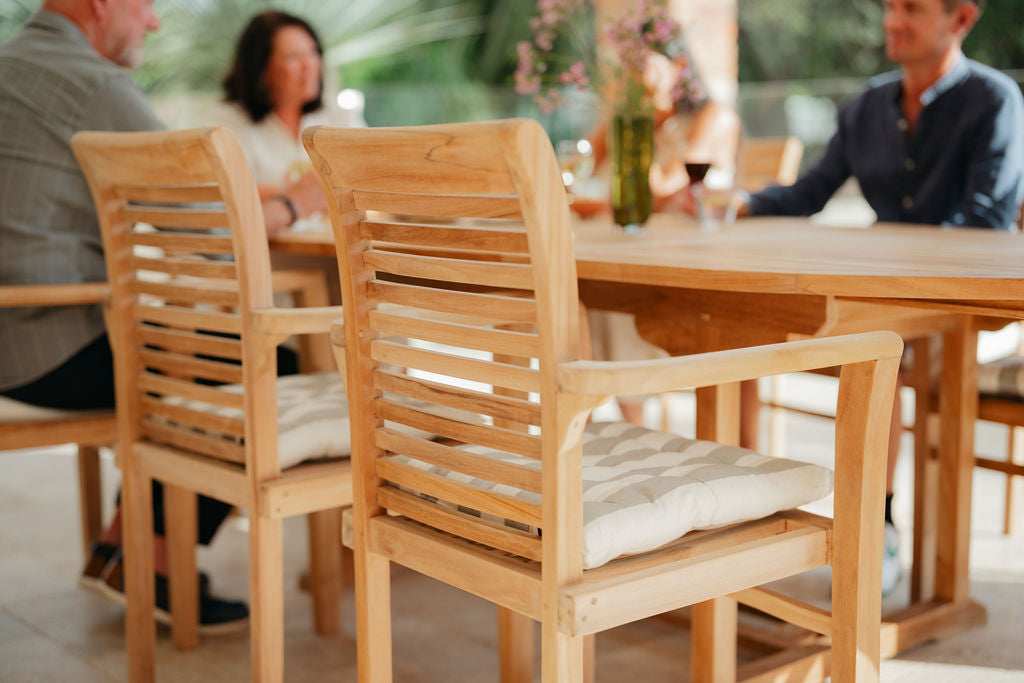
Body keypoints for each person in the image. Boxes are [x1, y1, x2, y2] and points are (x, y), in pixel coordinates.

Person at [0, 0, 308, 631]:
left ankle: (123, 548)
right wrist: (301, 201)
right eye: (146, 5)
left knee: (201, 351)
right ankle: (158, 567)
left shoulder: (15, 63)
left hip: (18, 328)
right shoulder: (91, 81)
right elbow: (212, 227)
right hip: (43, 339)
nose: (155, 22)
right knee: (268, 366)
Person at [737, 0, 1024, 595]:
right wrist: (741, 204)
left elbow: (987, 222)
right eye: (891, 6)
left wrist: (888, 258)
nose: (893, 20)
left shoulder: (995, 101)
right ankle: (744, 517)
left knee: (876, 349)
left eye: (912, 9)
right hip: (877, 297)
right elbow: (812, 190)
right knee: (752, 326)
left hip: (960, 307)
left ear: (961, 18)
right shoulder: (865, 105)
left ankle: (876, 523)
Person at [583, 43, 741, 424]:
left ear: (680, 66)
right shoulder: (625, 121)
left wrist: (633, 135)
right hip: (631, 245)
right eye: (627, 66)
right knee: (580, 283)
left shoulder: (712, 117)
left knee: (606, 288)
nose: (633, 76)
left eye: (644, 65)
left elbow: (661, 192)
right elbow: (574, 175)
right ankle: (582, 418)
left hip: (690, 258)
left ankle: (628, 424)